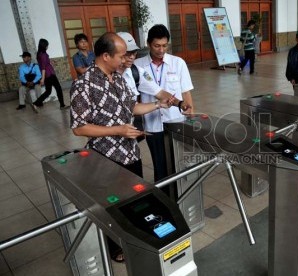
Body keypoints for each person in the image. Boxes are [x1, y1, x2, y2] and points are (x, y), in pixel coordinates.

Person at [70, 32, 164, 262]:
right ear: (105, 56)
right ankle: (115, 247)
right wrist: (118, 130)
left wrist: (160, 103)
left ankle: (136, 239)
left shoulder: (119, 78)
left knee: (135, 201)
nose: (125, 60)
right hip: (105, 158)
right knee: (112, 207)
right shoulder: (83, 85)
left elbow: (131, 107)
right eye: (121, 56)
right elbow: (79, 128)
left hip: (131, 153)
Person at [134, 24, 194, 183]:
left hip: (175, 122)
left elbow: (186, 92)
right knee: (159, 166)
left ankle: (180, 195)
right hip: (152, 125)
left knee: (177, 164)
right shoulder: (138, 66)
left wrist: (190, 119)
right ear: (148, 44)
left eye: (164, 45)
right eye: (156, 46)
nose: (161, 50)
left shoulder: (178, 63)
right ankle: (164, 197)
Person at [33, 38, 69, 110]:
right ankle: (62, 105)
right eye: (46, 45)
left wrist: (50, 62)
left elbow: (44, 64)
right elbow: (43, 67)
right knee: (58, 88)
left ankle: (36, 103)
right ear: (44, 46)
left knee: (48, 91)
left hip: (47, 75)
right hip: (50, 75)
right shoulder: (43, 55)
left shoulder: (39, 54)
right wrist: (42, 78)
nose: (47, 46)